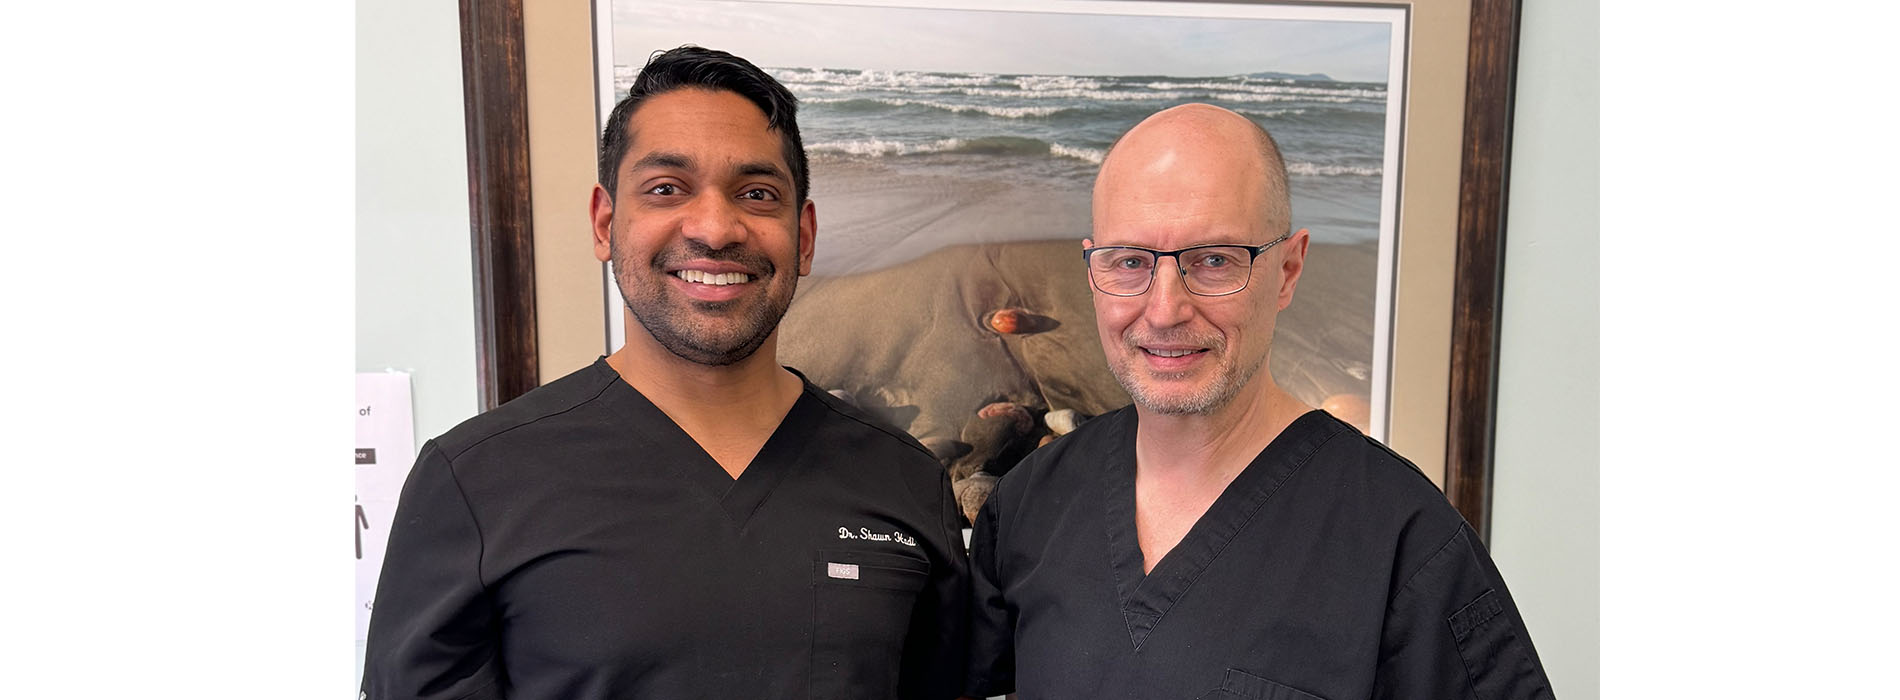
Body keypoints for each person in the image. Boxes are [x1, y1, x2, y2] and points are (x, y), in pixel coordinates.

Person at [362, 46, 969, 700]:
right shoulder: (475, 480)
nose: (714, 228)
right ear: (605, 222)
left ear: (805, 235)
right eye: (666, 189)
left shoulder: (905, 480)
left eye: (757, 193)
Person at [962, 104, 1553, 700]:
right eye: (1131, 262)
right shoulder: (1029, 505)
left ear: (1289, 269)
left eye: (1214, 260)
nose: (1165, 310)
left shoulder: (1402, 542)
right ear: (1094, 270)